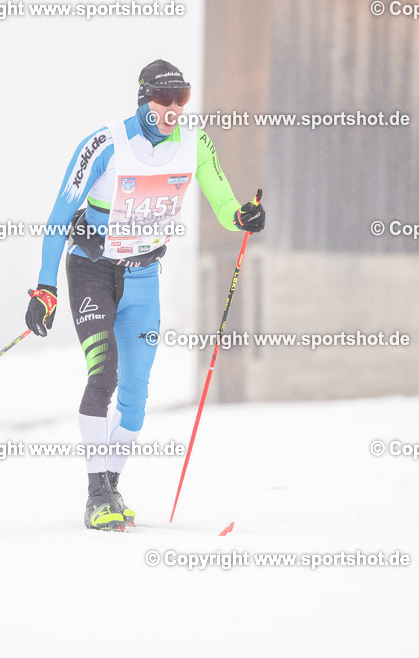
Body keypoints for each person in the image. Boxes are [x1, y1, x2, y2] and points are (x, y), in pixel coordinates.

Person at [24, 60, 266, 531]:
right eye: (164, 99)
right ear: (143, 98)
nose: (174, 109)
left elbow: (222, 201)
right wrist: (45, 287)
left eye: (183, 99)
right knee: (104, 374)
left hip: (143, 278)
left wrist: (243, 217)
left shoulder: (195, 144)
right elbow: (59, 215)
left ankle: (111, 484)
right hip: (92, 271)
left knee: (135, 397)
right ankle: (96, 494)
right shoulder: (106, 144)